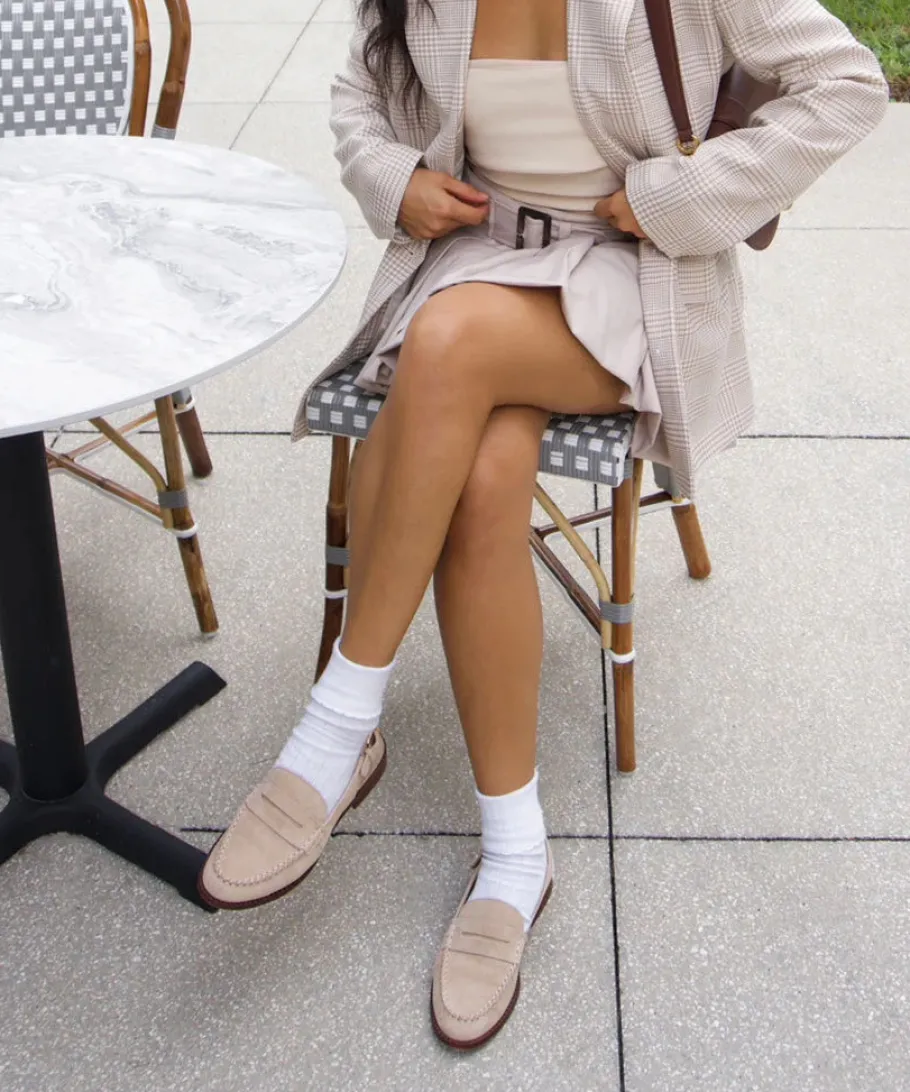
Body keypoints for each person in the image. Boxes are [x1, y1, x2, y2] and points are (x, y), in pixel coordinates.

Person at [200, 0, 887, 1049]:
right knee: (484, 475)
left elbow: (848, 85)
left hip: (629, 276)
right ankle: (516, 852)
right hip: (476, 261)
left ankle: (338, 725)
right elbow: (358, 97)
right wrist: (393, 179)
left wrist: (675, 193)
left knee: (450, 344)